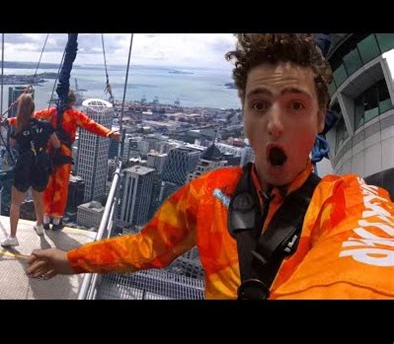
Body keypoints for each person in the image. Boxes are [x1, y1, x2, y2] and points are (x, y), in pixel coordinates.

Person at [25, 34, 394, 299]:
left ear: (319, 121)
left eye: (296, 105)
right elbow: (145, 247)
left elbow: (369, 269)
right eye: (259, 104)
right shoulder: (209, 192)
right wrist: (70, 260)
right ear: (245, 114)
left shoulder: (349, 201)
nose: (275, 124)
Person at [7, 90, 120, 230]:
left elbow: (28, 118)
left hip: (48, 153)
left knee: (48, 185)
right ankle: (56, 218)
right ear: (72, 102)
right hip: (64, 152)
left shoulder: (51, 112)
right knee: (61, 187)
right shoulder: (74, 115)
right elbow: (91, 125)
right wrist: (109, 133)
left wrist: (8, 121)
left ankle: (46, 217)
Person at [1, 93, 61, 247]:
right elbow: (56, 144)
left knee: (16, 202)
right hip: (41, 165)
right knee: (38, 197)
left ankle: (13, 237)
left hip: (24, 166)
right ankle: (40, 225)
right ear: (34, 109)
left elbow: (13, 143)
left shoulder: (19, 128)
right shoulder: (46, 125)